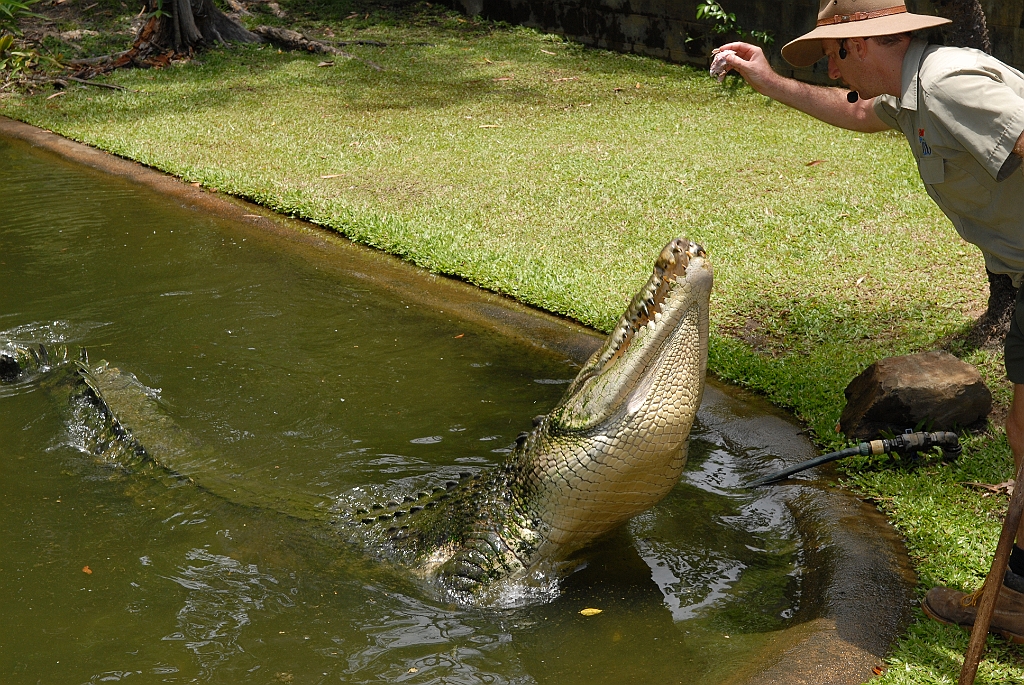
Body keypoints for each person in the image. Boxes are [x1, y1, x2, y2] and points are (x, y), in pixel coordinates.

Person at [713, 0, 1024, 641]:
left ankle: (1018, 597)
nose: (829, 67)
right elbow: (856, 113)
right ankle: (1019, 592)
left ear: (865, 44)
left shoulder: (945, 84)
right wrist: (767, 79)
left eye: (832, 52)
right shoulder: (912, 92)